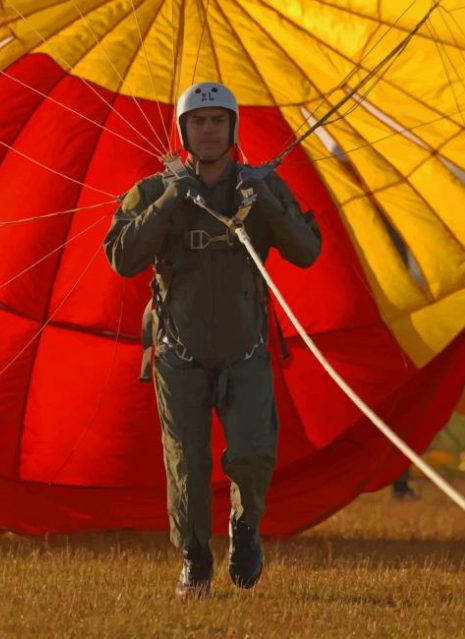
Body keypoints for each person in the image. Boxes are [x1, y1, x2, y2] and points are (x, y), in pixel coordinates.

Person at [104, 81, 322, 599]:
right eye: (198, 123)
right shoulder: (155, 191)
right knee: (189, 465)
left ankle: (245, 531)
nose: (208, 131)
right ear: (184, 130)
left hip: (245, 352)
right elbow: (122, 257)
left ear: (232, 128)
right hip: (180, 356)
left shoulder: (259, 187)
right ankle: (195, 559)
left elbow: (307, 251)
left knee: (252, 454)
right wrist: (170, 200)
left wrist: (265, 197)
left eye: (217, 122)